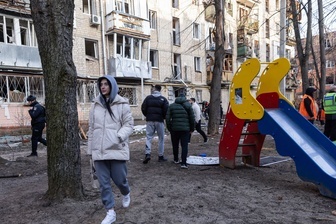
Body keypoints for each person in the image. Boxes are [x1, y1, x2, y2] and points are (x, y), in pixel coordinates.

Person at [87, 75, 134, 224]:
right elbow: (92, 128)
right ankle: (110, 211)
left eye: (106, 84)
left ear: (112, 85)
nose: (103, 87)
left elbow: (129, 125)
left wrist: (118, 137)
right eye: (101, 84)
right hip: (99, 151)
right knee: (104, 184)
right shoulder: (95, 105)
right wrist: (90, 151)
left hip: (116, 148)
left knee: (120, 179)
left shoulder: (122, 104)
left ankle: (126, 193)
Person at [141, 85, 169, 164]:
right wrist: (162, 117)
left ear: (154, 89)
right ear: (160, 90)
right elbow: (166, 110)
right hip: (159, 120)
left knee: (149, 137)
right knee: (161, 138)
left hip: (150, 120)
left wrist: (148, 115)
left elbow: (143, 107)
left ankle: (147, 154)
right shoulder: (163, 99)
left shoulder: (148, 98)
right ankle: (160, 156)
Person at [166, 94, 195, 169]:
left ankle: (176, 159)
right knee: (184, 146)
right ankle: (184, 163)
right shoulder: (188, 106)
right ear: (185, 98)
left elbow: (167, 118)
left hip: (174, 129)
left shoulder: (171, 106)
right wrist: (192, 128)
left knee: (175, 145)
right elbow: (192, 118)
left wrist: (170, 128)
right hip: (185, 129)